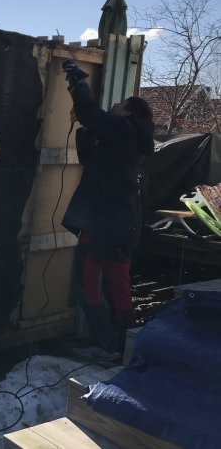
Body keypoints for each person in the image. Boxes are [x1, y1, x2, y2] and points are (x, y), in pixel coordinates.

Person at [61, 61, 155, 361]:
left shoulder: (124, 129)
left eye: (119, 104)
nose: (113, 106)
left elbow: (92, 113)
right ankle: (124, 344)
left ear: (128, 112)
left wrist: (78, 82)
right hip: (125, 220)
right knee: (118, 283)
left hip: (104, 221)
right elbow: (93, 157)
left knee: (88, 281)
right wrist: (86, 129)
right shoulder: (132, 137)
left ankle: (104, 342)